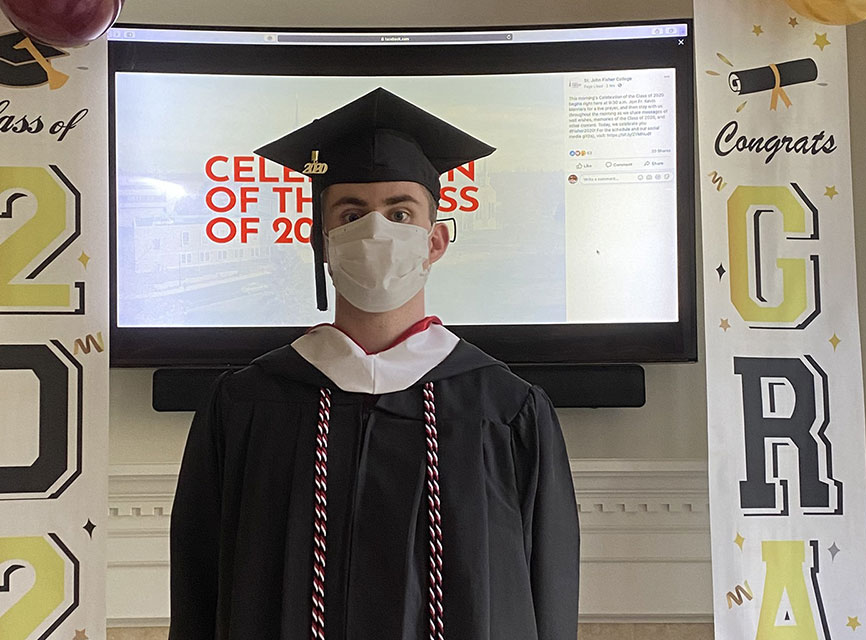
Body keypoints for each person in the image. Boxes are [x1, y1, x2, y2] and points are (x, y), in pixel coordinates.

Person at [168, 87, 580, 640]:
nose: (376, 230)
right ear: (323, 241)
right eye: (352, 212)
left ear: (434, 242)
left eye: (400, 212)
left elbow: (547, 599)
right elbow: (199, 593)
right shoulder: (245, 405)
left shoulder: (508, 412)